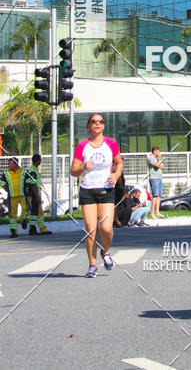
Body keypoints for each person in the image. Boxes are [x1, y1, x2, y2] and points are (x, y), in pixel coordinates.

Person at [70, 112, 122, 277]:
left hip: (106, 190)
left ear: (103, 125)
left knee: (106, 229)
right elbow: (73, 171)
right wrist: (84, 167)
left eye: (100, 121)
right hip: (88, 191)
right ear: (89, 126)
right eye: (94, 121)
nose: (97, 123)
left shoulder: (111, 144)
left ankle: (105, 252)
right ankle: (92, 264)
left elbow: (119, 162)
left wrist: (116, 175)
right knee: (90, 229)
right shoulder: (82, 146)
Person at [0, 157, 29, 237]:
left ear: (16, 164)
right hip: (12, 197)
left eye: (12, 164)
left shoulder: (23, 171)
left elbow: (29, 181)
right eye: (9, 164)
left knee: (26, 209)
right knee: (12, 215)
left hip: (22, 195)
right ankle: (14, 232)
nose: (10, 165)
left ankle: (23, 219)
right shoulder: (6, 173)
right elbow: (2, 183)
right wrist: (8, 190)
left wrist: (26, 188)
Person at [24, 154, 51, 235]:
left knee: (39, 213)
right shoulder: (32, 171)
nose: (41, 161)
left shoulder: (34, 170)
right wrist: (37, 196)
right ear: (38, 161)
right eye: (40, 160)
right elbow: (33, 185)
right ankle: (32, 229)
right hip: (33, 196)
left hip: (35, 195)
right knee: (34, 213)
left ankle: (43, 229)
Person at [147, 145, 165, 219]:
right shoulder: (150, 158)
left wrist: (159, 162)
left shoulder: (157, 159)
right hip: (154, 178)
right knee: (155, 195)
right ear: (154, 151)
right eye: (158, 151)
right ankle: (152, 213)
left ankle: (157, 212)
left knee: (159, 195)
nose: (159, 153)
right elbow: (156, 166)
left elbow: (163, 167)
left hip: (159, 178)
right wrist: (159, 160)